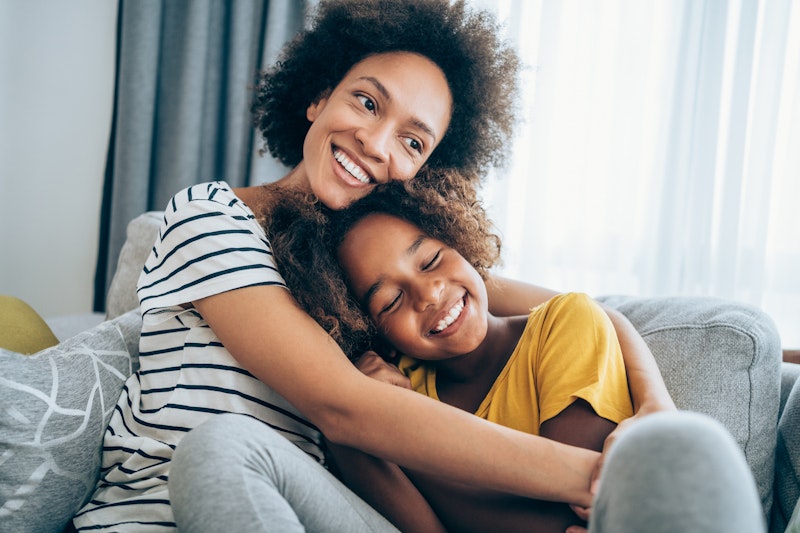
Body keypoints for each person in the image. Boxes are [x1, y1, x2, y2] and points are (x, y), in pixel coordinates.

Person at [72, 1, 684, 531]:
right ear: (317, 98)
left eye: (413, 142)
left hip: (322, 505)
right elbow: (342, 407)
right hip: (159, 509)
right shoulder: (212, 218)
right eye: (367, 102)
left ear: (426, 170)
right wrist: (605, 480)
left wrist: (657, 410)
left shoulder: (379, 262)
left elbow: (583, 309)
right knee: (221, 447)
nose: (376, 141)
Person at [263, 178, 766, 533]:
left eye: (433, 259)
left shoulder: (566, 325)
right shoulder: (395, 393)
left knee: (700, 445)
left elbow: (566, 518)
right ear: (374, 331)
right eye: (390, 300)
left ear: (460, 240)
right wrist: (373, 422)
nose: (431, 295)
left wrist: (407, 450)